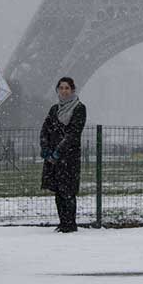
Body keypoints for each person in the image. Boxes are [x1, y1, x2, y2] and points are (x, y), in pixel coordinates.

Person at [40, 77, 87, 232]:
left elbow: (73, 134)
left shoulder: (79, 108)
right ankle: (62, 223)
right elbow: (45, 130)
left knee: (68, 191)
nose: (64, 91)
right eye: (61, 88)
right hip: (54, 157)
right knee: (59, 190)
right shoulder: (54, 109)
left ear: (72, 90)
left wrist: (58, 151)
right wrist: (45, 149)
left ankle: (70, 224)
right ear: (57, 90)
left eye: (67, 88)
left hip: (69, 157)